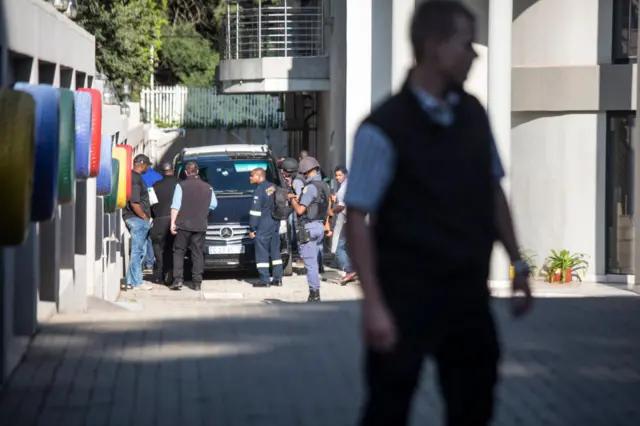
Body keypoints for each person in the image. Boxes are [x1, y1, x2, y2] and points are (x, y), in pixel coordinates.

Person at [345, 2, 533, 425]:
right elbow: (357, 215)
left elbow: (492, 190)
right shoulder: (383, 127)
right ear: (434, 46)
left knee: (474, 409)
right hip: (405, 301)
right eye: (466, 44)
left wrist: (518, 262)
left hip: (467, 299)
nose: (475, 54)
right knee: (387, 411)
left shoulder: (473, 115)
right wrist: (372, 304)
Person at [169, 162, 218, 291]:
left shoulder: (181, 186)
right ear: (197, 172)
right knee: (197, 253)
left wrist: (172, 223)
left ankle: (178, 280)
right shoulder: (208, 187)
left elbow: (175, 206)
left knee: (179, 251)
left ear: (186, 172)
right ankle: (197, 283)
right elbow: (213, 205)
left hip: (183, 224)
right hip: (200, 224)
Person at [289, 156, 331, 302]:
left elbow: (300, 210)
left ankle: (314, 293)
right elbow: (328, 207)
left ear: (305, 172)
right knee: (315, 261)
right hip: (319, 225)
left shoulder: (310, 187)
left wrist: (292, 199)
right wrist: (327, 225)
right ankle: (315, 291)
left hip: (309, 227)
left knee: (310, 263)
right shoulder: (325, 186)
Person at [122, 154, 154, 291]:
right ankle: (136, 283)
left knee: (141, 250)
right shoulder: (135, 178)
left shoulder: (133, 177)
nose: (148, 167)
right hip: (136, 219)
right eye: (147, 165)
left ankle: (130, 280)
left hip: (137, 219)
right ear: (142, 164)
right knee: (138, 252)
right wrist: (144, 217)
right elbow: (134, 202)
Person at [248, 168, 283, 287]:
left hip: (263, 225)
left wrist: (252, 229)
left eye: (252, 176)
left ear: (260, 176)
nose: (250, 178)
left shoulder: (259, 190)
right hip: (275, 222)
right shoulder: (271, 187)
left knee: (262, 251)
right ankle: (278, 279)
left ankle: (264, 279)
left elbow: (255, 212)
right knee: (275, 252)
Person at [150, 162, 178, 285]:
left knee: (159, 247)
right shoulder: (180, 183)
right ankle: (174, 273)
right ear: (173, 170)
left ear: (162, 172)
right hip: (176, 220)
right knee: (176, 248)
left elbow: (151, 204)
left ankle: (162, 272)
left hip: (159, 220)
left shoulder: (155, 186)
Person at [331, 165, 356, 285]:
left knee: (338, 247)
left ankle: (350, 270)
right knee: (346, 246)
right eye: (336, 175)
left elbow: (342, 206)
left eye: (340, 175)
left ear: (345, 174)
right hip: (348, 219)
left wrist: (332, 211)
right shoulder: (346, 186)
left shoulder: (346, 186)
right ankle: (353, 270)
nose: (337, 177)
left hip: (347, 219)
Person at [141, 165, 163, 272]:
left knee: (142, 236)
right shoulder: (157, 176)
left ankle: (143, 261)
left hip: (139, 209)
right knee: (150, 237)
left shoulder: (136, 175)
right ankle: (149, 263)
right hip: (153, 209)